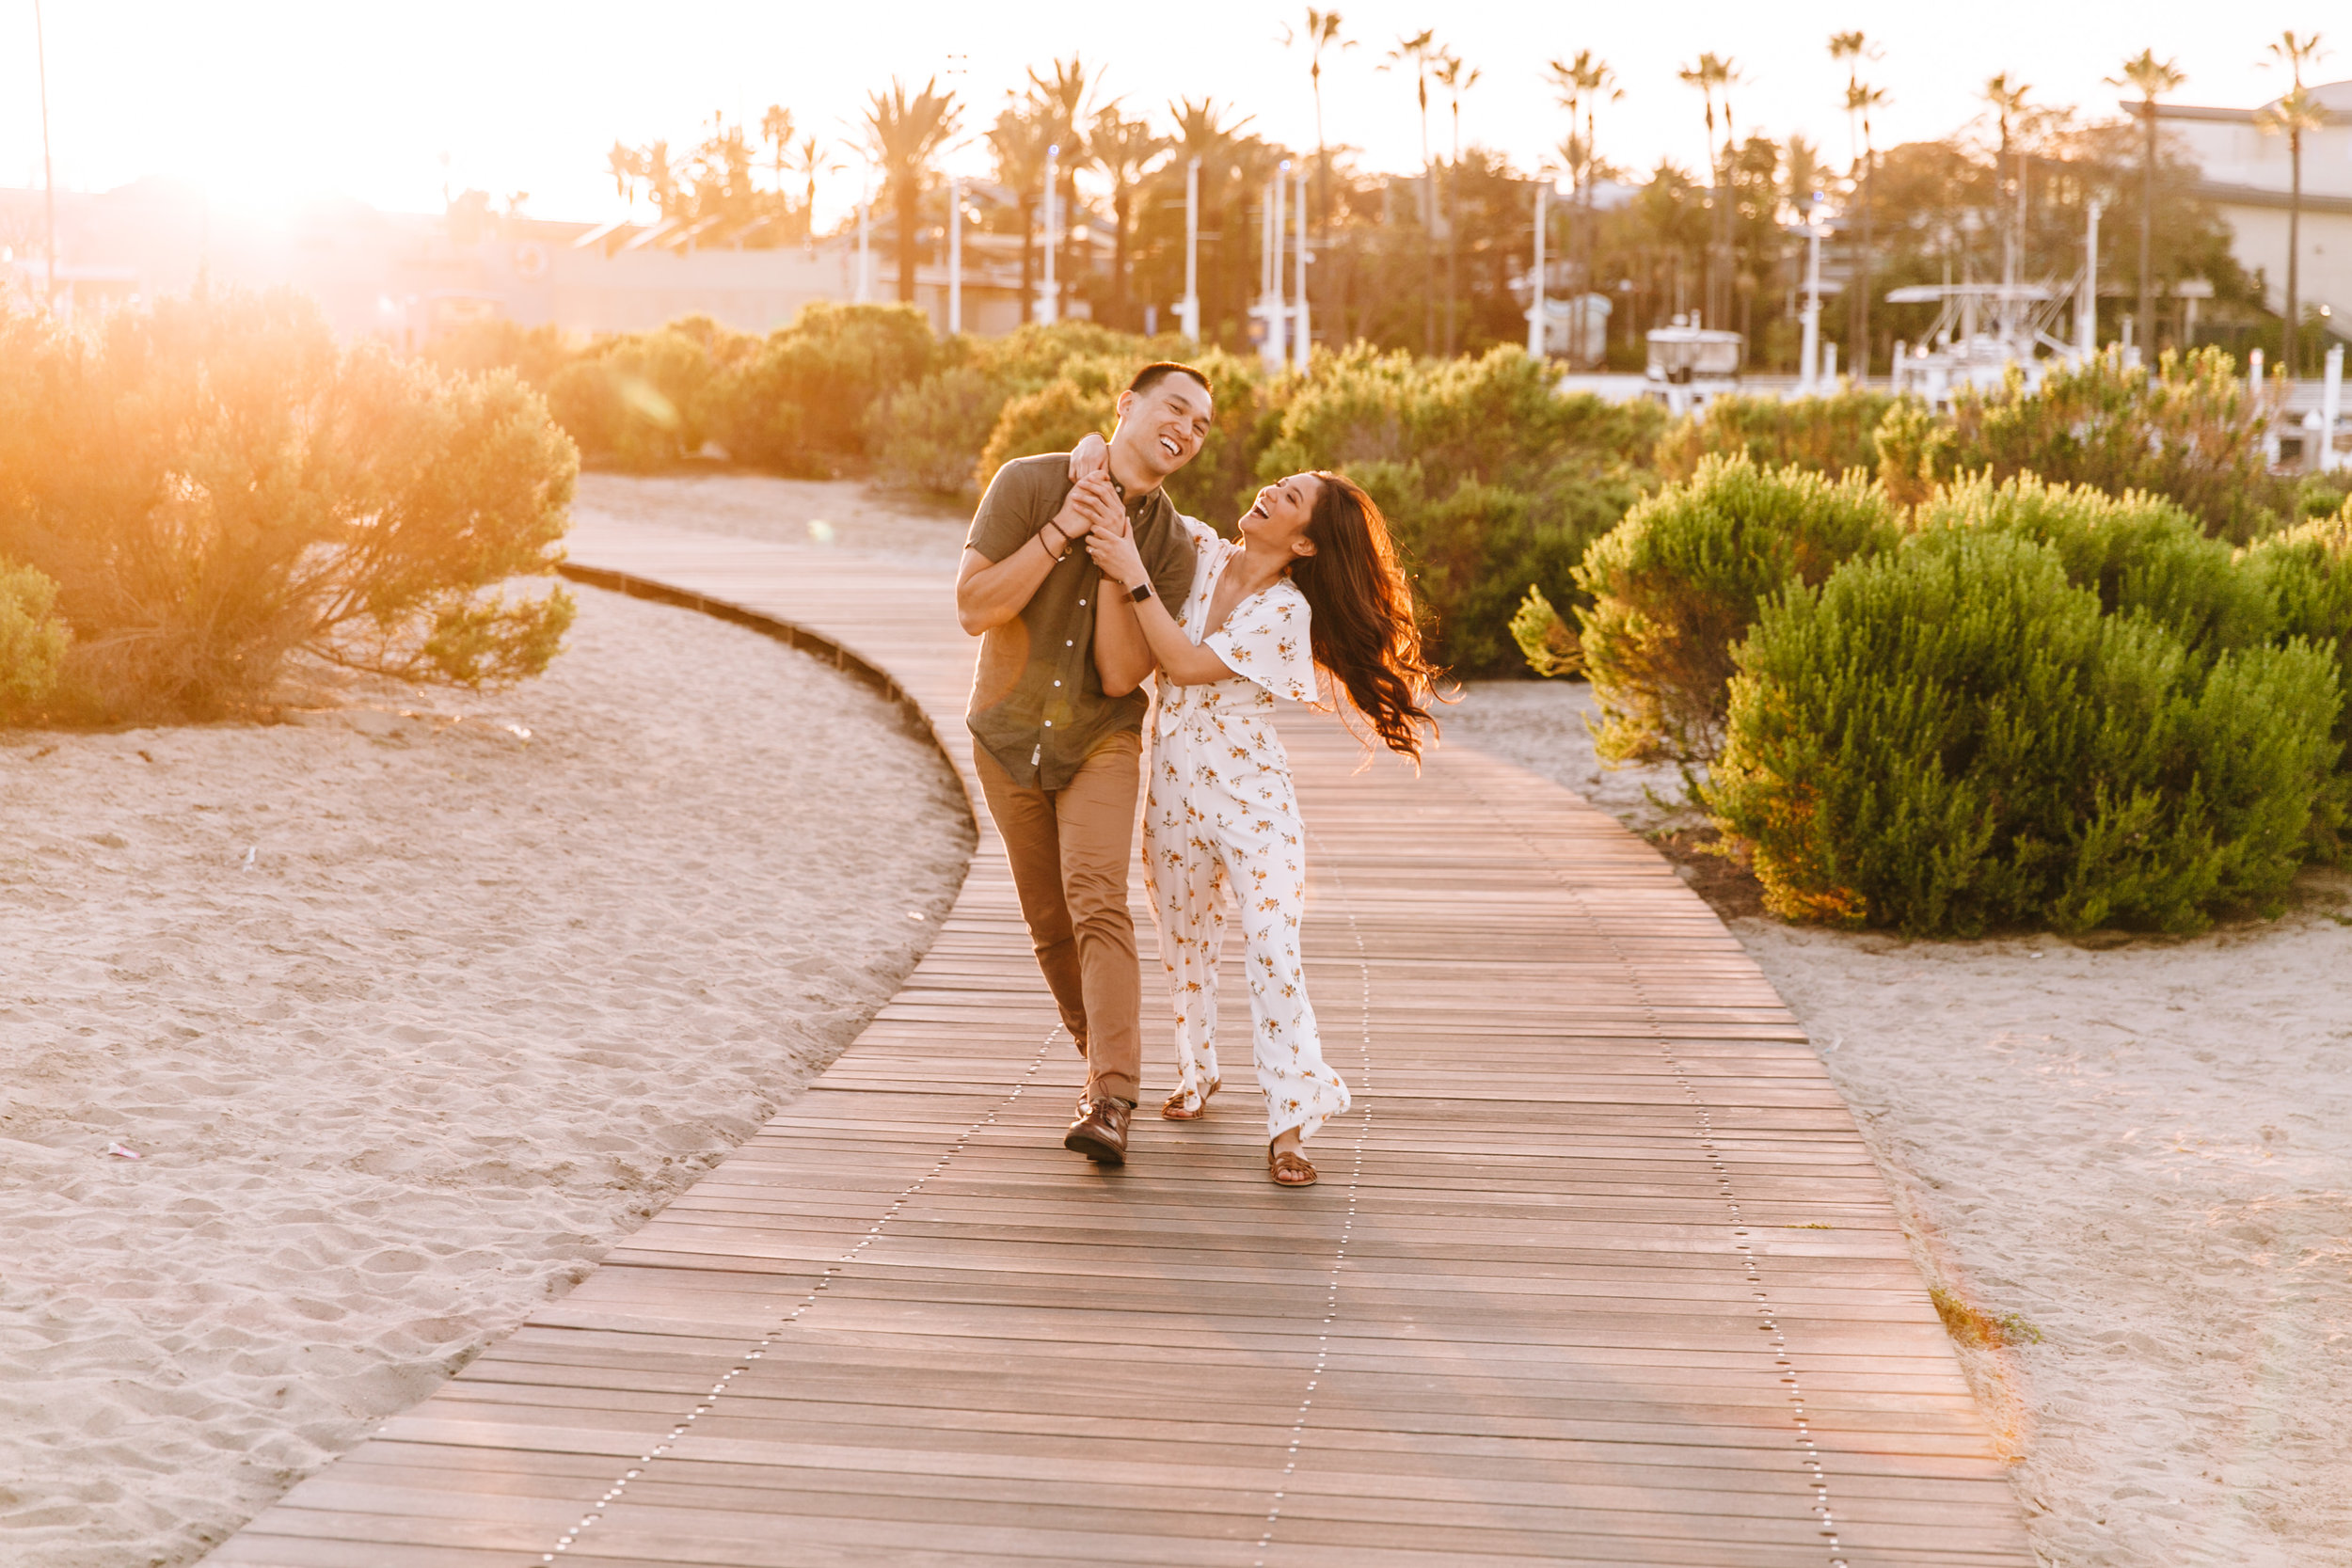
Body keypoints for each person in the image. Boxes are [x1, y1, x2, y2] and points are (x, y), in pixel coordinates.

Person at [1077, 445, 1444, 1187]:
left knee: (1274, 946)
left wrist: (1132, 573)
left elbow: (1181, 663)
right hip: (1174, 784)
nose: (1274, 487)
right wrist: (1093, 451)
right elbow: (1139, 497)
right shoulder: (1201, 552)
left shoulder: (1287, 611)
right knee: (1183, 939)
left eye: (1294, 496)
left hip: (1253, 799)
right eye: (1281, 480)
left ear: (1304, 543)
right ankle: (1197, 1073)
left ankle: (1289, 1126)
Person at [953, 362, 1214, 1168]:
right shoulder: (1027, 482)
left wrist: (1117, 555)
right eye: (1177, 408)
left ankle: (1112, 1097)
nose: (1189, 430)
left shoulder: (1171, 544)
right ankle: (1094, 1057)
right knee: (1048, 922)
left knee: (1097, 897)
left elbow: (1114, 674)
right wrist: (1063, 527)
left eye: (1203, 425)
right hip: (1006, 734)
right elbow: (974, 607)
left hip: (1103, 735)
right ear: (1127, 404)